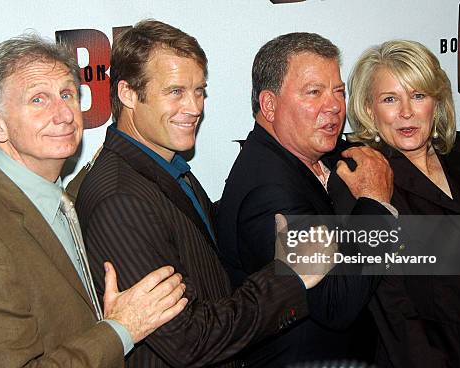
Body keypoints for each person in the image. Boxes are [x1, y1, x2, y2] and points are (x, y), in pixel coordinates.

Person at [74, 20, 334, 368]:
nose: (195, 107)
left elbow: (194, 239)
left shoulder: (164, 165)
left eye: (199, 91)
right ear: (128, 94)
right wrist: (289, 276)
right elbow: (188, 341)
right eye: (176, 92)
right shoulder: (122, 199)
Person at [0, 34, 189, 368]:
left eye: (67, 94)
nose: (65, 114)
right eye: (38, 99)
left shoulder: (45, 190)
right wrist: (121, 329)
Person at [215, 32, 395, 366]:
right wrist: (373, 203)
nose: (334, 106)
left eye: (339, 91)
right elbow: (335, 304)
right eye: (314, 92)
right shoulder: (268, 192)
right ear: (269, 105)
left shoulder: (314, 153)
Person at [346, 39, 460, 368]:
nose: (405, 112)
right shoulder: (362, 180)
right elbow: (394, 310)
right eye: (390, 99)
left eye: (418, 95)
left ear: (436, 100)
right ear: (369, 109)